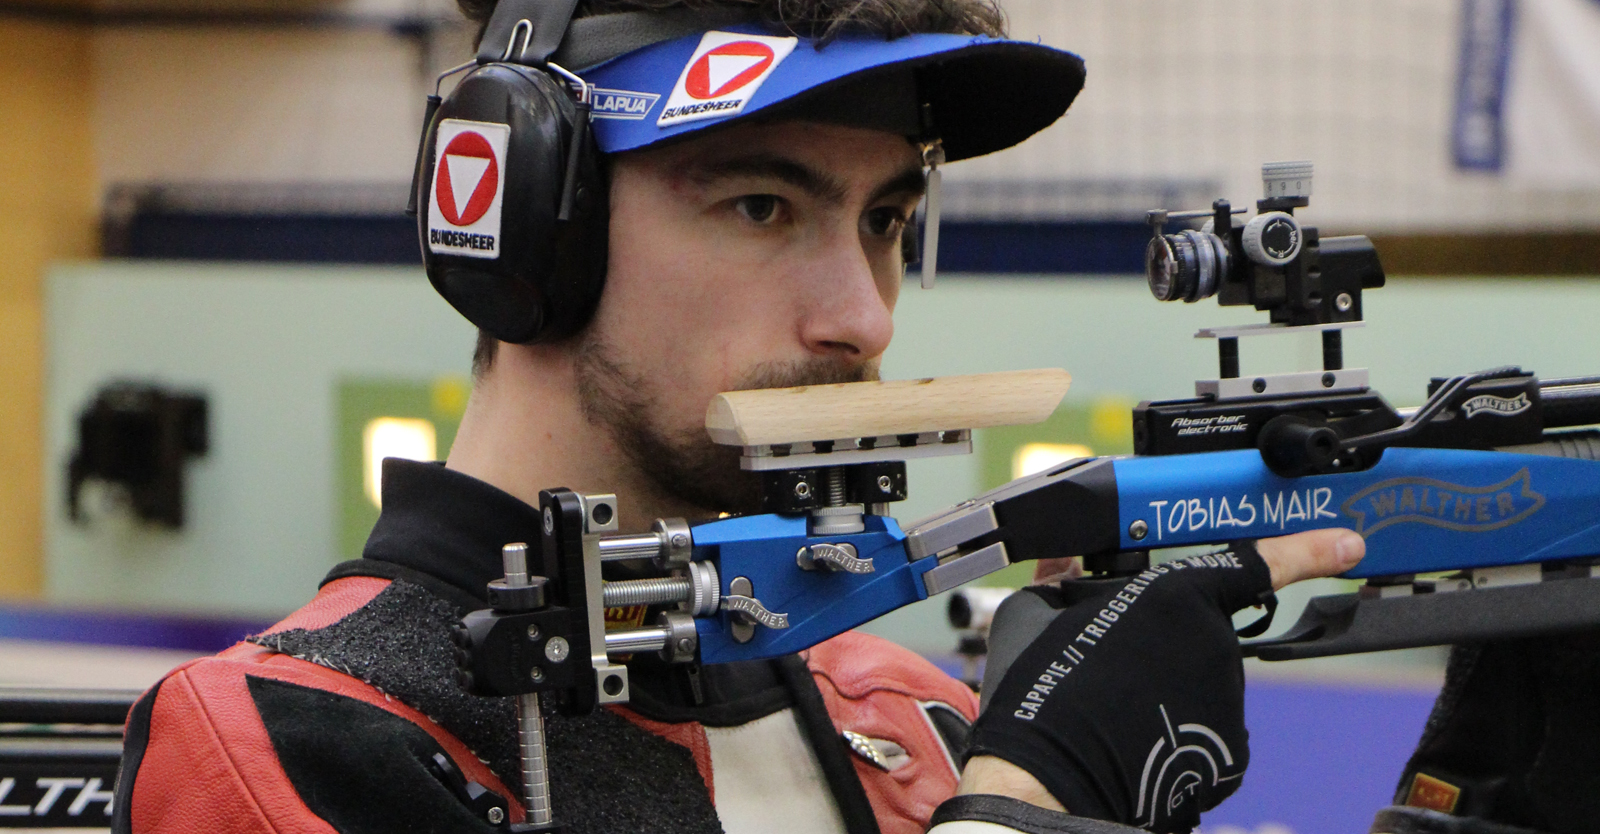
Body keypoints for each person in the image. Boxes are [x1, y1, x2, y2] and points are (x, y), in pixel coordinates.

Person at [109, 2, 1362, 833]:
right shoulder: (291, 735)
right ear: (525, 231)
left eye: (883, 221)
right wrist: (1026, 804)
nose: (859, 321)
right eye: (763, 206)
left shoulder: (904, 713)